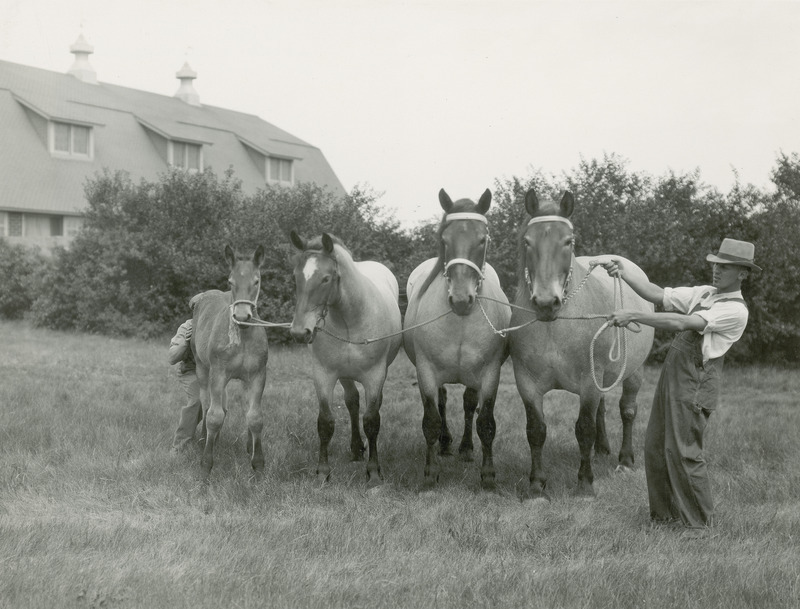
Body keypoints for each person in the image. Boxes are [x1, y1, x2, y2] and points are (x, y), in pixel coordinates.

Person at [600, 238, 759, 537]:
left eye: (725, 267)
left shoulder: (736, 310)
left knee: (683, 450)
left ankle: (699, 524)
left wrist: (632, 315)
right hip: (673, 375)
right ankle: (664, 516)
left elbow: (680, 323)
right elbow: (657, 294)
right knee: (656, 446)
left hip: (696, 381)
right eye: (715, 265)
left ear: (742, 273)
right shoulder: (705, 293)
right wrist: (623, 271)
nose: (716, 271)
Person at [168, 318, 203, 454]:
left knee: (220, 407)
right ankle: (178, 448)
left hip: (213, 373)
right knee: (198, 401)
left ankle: (207, 444)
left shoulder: (219, 324)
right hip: (191, 370)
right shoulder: (189, 325)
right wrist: (185, 342)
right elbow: (172, 358)